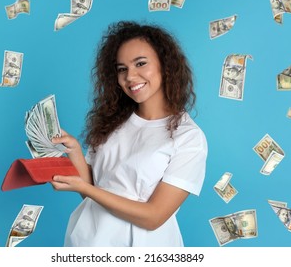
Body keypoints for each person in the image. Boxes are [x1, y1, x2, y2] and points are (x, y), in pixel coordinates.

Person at [50, 20, 208, 247]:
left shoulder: (189, 138)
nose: (130, 77)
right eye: (122, 69)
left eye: (140, 64)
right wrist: (74, 150)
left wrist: (86, 188)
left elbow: (154, 217)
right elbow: (93, 192)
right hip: (87, 241)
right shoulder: (112, 122)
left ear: (166, 65)